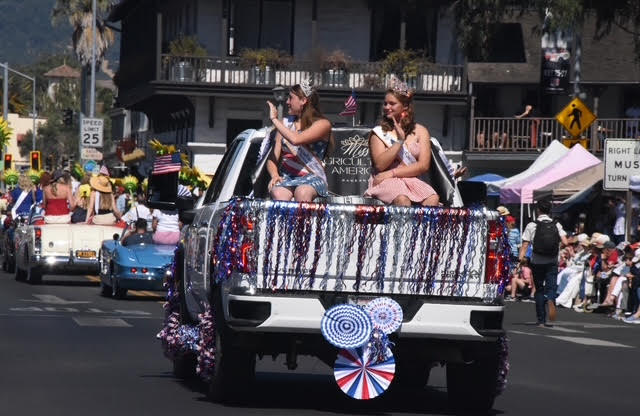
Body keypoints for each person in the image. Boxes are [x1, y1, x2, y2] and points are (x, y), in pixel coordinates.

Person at [363, 77, 439, 206]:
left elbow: (423, 166)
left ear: (405, 106)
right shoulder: (379, 132)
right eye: (385, 103)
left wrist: (392, 173)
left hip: (411, 179)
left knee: (433, 199)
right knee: (402, 199)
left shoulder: (421, 131)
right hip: (385, 181)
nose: (387, 107)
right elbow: (380, 165)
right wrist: (399, 141)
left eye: (392, 104)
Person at [266, 79, 332, 202]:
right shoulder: (285, 124)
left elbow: (296, 140)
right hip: (288, 178)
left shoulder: (323, 124)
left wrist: (274, 119)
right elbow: (272, 158)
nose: (287, 102)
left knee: (302, 192)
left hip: (313, 178)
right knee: (278, 193)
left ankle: (305, 216)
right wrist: (274, 175)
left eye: (291, 98)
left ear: (303, 101)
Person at [519, 198, 568, 327]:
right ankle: (551, 299)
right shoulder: (556, 224)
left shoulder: (532, 225)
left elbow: (525, 244)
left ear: (538, 210)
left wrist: (520, 260)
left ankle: (541, 320)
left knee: (539, 289)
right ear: (549, 210)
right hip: (552, 260)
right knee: (551, 287)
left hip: (537, 261)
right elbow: (565, 241)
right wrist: (557, 248)